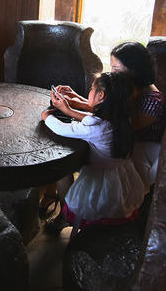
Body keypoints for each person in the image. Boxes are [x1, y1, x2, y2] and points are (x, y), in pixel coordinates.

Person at [41, 72, 146, 237]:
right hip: (121, 175)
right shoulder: (123, 117)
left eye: (91, 89)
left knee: (66, 177)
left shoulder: (96, 126)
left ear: (101, 95)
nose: (89, 92)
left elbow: (62, 129)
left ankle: (67, 218)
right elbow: (93, 118)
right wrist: (69, 109)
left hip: (99, 179)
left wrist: (47, 117)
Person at [56, 41, 166, 191]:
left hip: (135, 150)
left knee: (64, 157)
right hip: (116, 140)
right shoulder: (128, 86)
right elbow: (109, 109)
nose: (112, 72)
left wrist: (69, 110)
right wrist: (77, 100)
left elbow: (111, 124)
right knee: (64, 149)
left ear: (133, 69)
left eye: (116, 68)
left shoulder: (153, 101)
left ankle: (70, 202)